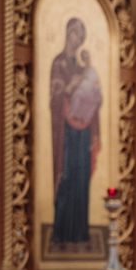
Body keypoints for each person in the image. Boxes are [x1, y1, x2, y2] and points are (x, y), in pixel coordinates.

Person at [51, 18, 101, 248]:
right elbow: (54, 97)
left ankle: (80, 232)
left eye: (81, 36)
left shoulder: (82, 68)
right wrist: (69, 87)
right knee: (67, 176)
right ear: (67, 34)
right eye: (75, 34)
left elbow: (94, 96)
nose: (78, 39)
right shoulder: (59, 63)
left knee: (81, 179)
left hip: (83, 130)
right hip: (66, 132)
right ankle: (61, 232)